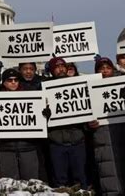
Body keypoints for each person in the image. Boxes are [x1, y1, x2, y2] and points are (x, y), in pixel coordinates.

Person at [88, 56, 125, 195]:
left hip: (124, 132)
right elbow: (84, 115)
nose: (105, 71)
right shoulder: (89, 88)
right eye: (101, 68)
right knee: (109, 172)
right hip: (103, 137)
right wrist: (89, 125)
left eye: (108, 68)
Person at [0, 68, 42, 180]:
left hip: (27, 146)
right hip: (6, 147)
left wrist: (44, 115)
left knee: (31, 181)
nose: (14, 82)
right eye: (10, 80)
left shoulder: (29, 95)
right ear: (4, 82)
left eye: (16, 80)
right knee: (10, 183)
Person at [45, 57, 88, 189]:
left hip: (77, 139)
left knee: (80, 180)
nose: (61, 69)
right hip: (57, 141)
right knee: (60, 181)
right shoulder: (44, 89)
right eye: (57, 67)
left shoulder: (78, 85)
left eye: (63, 66)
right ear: (52, 71)